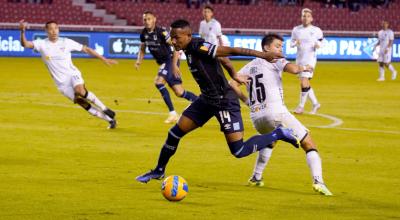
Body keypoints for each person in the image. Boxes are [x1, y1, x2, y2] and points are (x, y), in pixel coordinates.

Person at [136, 19, 300, 183]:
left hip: (224, 101)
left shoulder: (199, 47)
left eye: (176, 38)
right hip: (206, 100)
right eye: (172, 37)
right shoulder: (185, 46)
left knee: (238, 150)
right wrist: (234, 75)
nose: (173, 41)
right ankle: (158, 171)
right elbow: (223, 59)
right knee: (174, 133)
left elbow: (231, 50)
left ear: (188, 36)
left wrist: (263, 55)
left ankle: (278, 133)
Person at [230, 34, 333, 196]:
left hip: (257, 117)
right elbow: (292, 69)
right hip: (276, 112)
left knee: (270, 141)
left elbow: (231, 83)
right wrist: (304, 68)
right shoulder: (274, 60)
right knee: (308, 142)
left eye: (281, 46)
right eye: (277, 46)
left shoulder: (249, 66)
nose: (280, 49)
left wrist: (246, 101)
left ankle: (256, 177)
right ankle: (318, 181)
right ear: (266, 48)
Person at [19, 20, 118, 129]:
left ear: (58, 29)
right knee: (81, 102)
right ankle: (110, 120)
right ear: (46, 31)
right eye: (51, 29)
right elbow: (25, 44)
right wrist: (22, 31)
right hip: (61, 84)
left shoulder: (66, 42)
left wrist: (104, 59)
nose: (54, 31)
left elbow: (86, 49)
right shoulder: (41, 44)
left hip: (72, 74)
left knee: (80, 91)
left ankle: (104, 108)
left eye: (56, 28)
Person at [136, 11, 198, 124]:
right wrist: (139, 61)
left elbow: (175, 46)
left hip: (170, 60)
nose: (147, 21)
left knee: (159, 82)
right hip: (164, 63)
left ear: (154, 19)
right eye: (145, 19)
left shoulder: (161, 32)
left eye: (149, 19)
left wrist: (174, 65)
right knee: (179, 92)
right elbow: (142, 48)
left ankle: (172, 113)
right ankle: (198, 101)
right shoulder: (143, 34)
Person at [291, 8, 323, 115]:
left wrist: (317, 45)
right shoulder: (296, 30)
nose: (305, 18)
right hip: (299, 59)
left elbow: (321, 43)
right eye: (304, 16)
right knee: (305, 83)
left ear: (312, 18)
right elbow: (291, 43)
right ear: (301, 17)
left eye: (308, 16)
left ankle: (301, 107)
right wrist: (295, 43)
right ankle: (315, 103)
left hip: (310, 60)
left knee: (303, 81)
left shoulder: (316, 30)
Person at [199, 5, 238, 83]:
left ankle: (230, 78)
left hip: (214, 48)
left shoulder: (216, 24)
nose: (206, 13)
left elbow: (219, 37)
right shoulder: (202, 23)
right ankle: (214, 81)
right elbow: (202, 36)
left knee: (220, 64)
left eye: (208, 12)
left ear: (212, 14)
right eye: (205, 11)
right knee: (208, 66)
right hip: (205, 47)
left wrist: (222, 48)